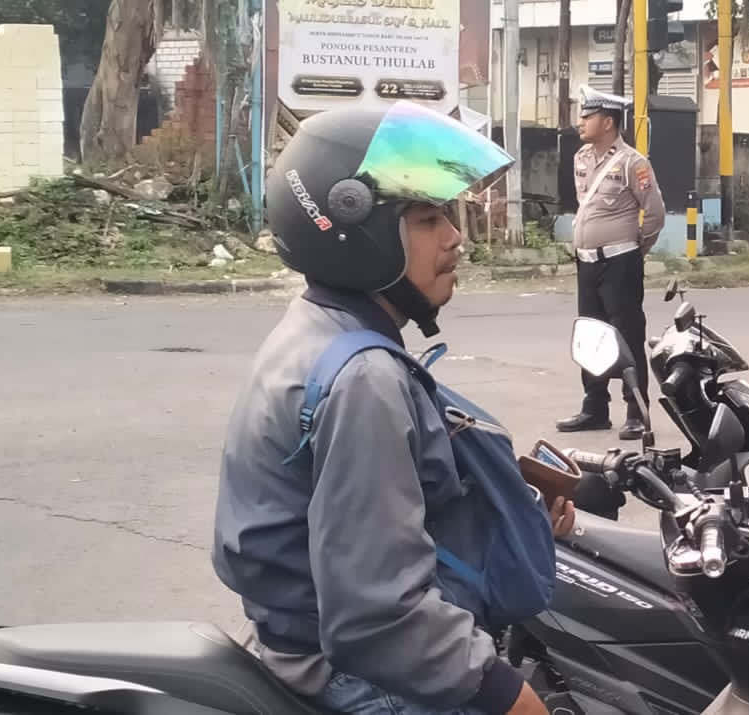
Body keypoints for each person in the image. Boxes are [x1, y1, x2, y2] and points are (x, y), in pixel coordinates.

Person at [212, 103, 559, 715]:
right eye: (428, 219)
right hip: (360, 678)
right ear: (357, 235)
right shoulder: (363, 377)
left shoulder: (317, 329)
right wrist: (509, 697)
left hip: (304, 643)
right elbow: (378, 615)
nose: (454, 237)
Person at [556, 86, 667, 440]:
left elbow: (654, 214)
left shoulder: (634, 163)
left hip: (620, 262)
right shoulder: (581, 159)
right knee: (591, 336)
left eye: (587, 117)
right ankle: (595, 407)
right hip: (587, 262)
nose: (581, 123)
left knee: (628, 335)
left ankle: (637, 410)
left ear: (607, 121)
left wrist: (636, 250)